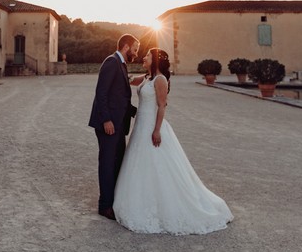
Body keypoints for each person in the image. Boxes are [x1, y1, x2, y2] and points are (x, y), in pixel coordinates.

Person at [113, 48, 233, 234]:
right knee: (140, 164)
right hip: (140, 127)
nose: (144, 58)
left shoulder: (160, 80)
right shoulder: (146, 77)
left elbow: (162, 106)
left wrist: (157, 130)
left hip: (151, 126)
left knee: (156, 163)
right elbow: (128, 80)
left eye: (147, 56)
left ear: (155, 61)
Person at [88, 33, 140, 220]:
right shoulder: (111, 62)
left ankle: (113, 201)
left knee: (117, 162)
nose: (136, 53)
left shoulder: (122, 64)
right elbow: (101, 93)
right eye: (135, 49)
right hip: (108, 125)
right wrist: (106, 120)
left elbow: (120, 97)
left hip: (119, 125)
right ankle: (105, 206)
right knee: (108, 164)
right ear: (126, 47)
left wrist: (138, 113)